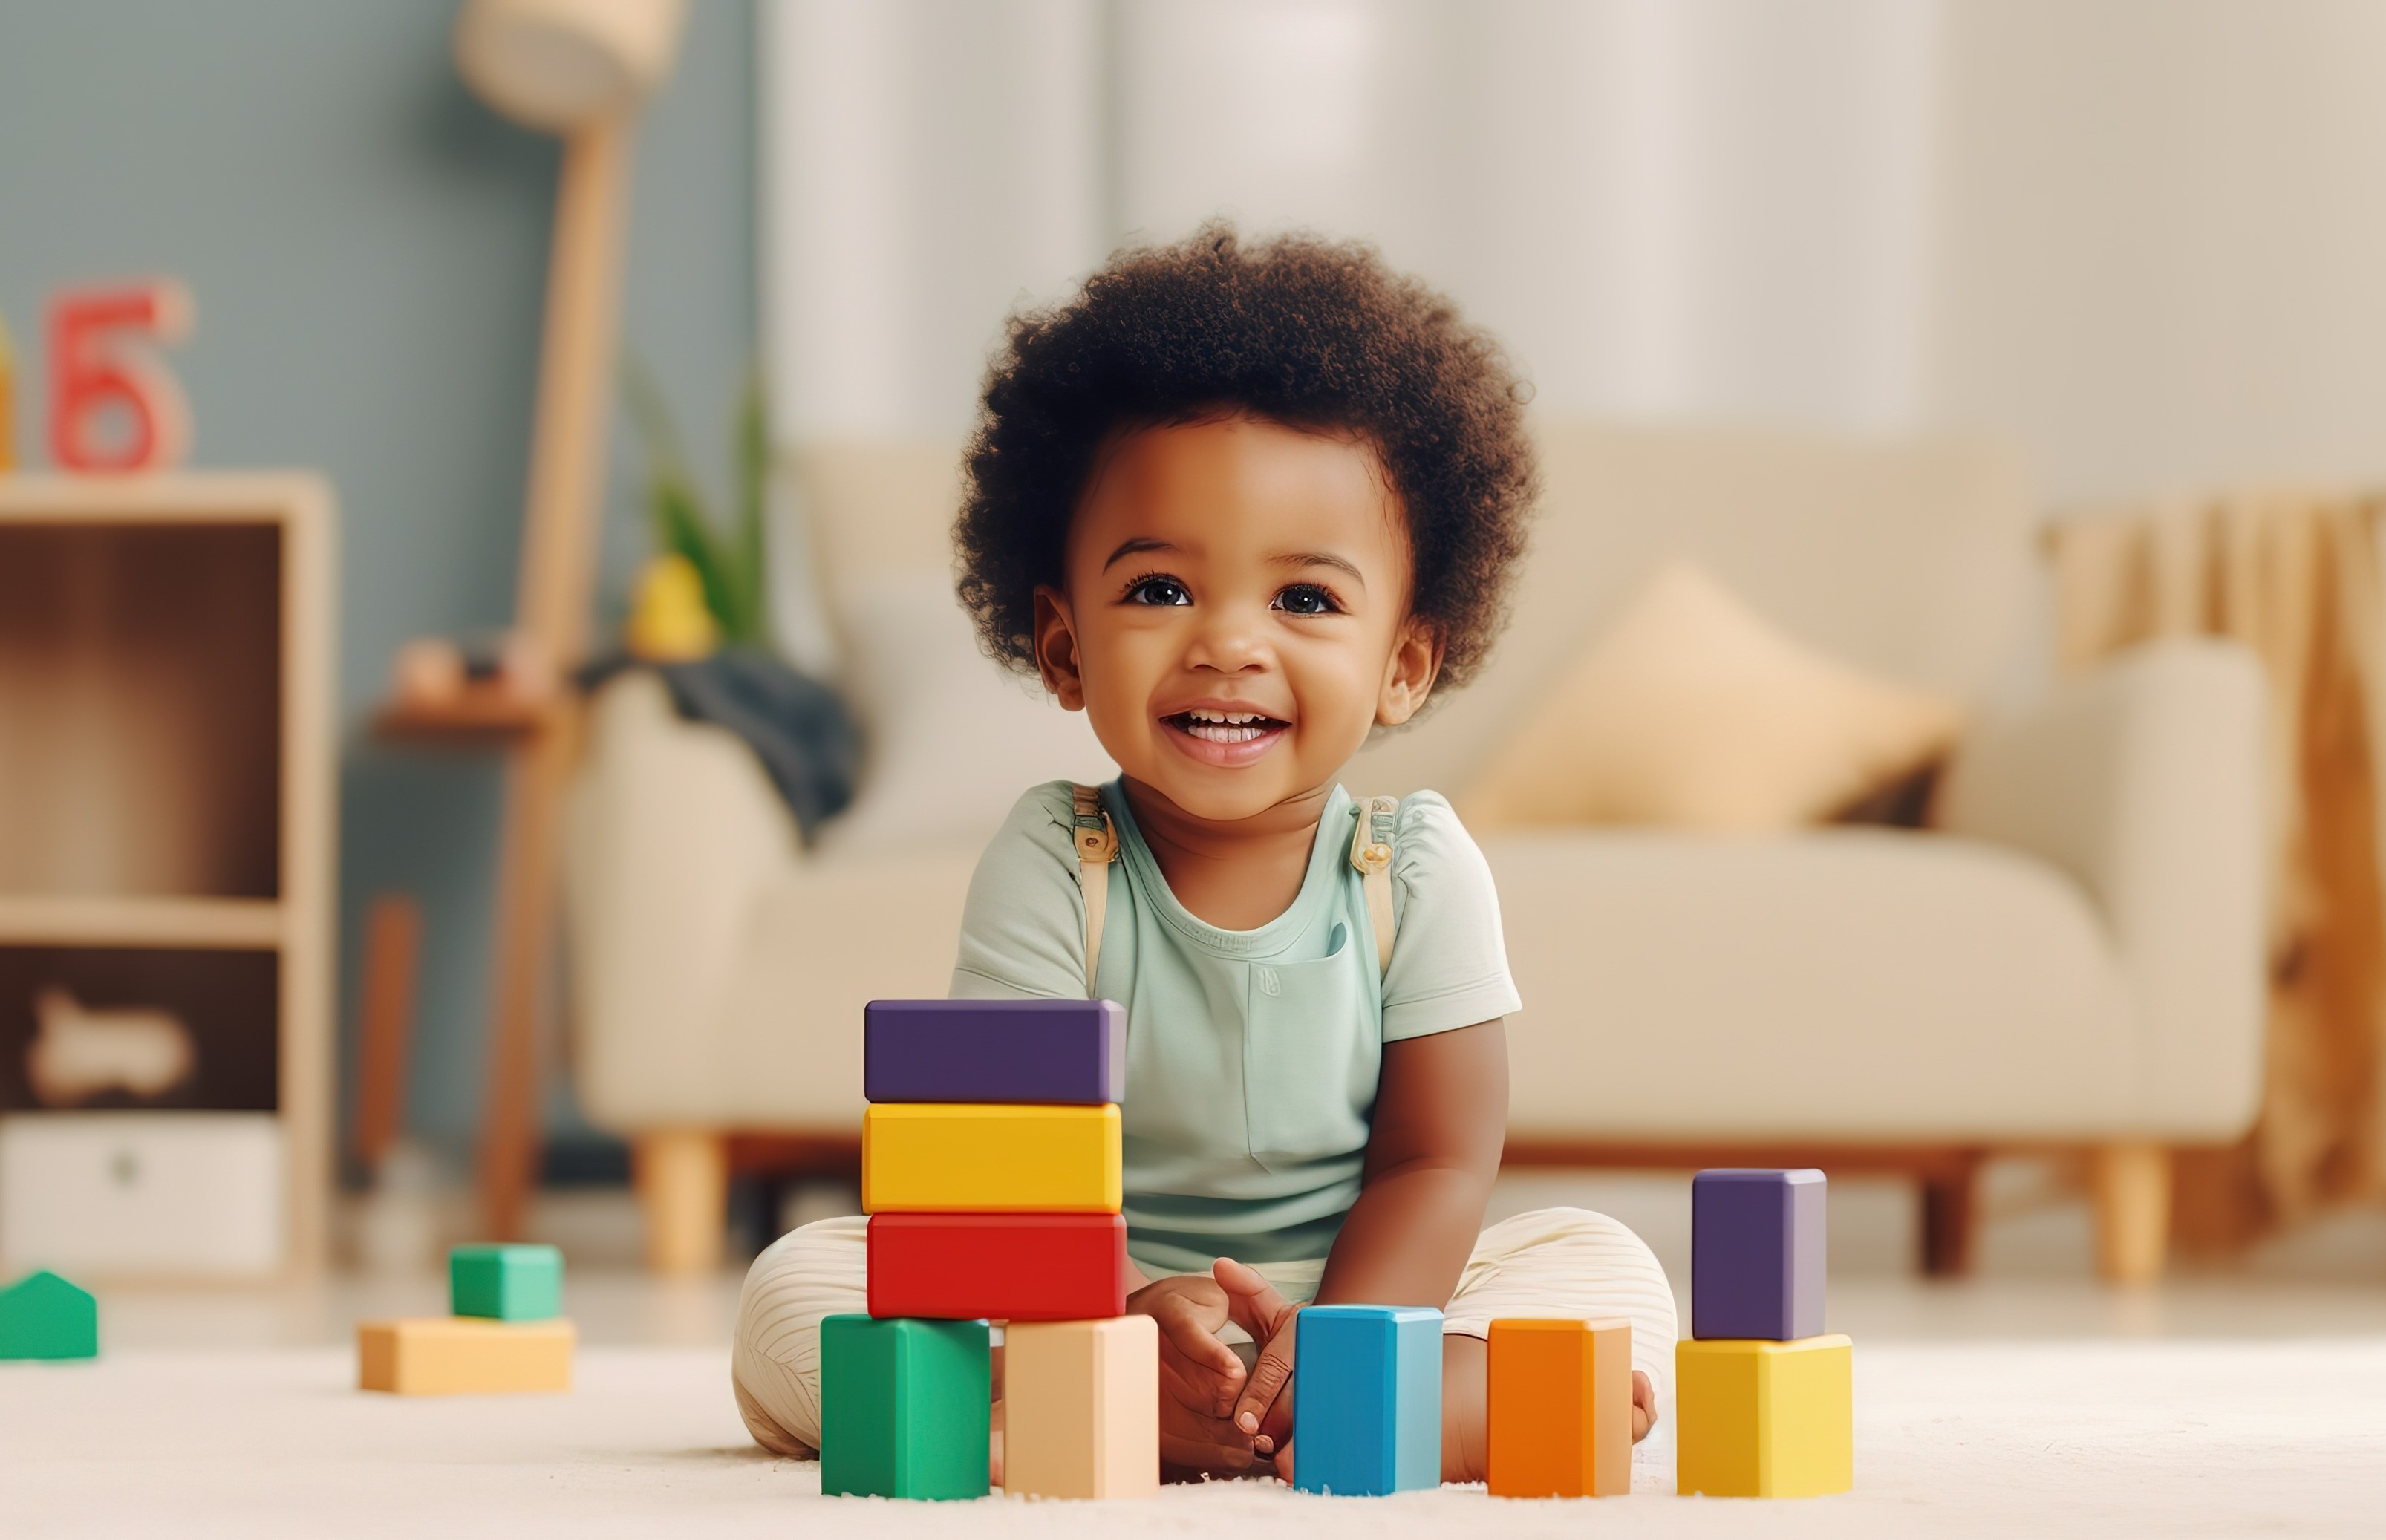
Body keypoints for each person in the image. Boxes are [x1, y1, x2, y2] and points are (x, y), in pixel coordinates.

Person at [733, 225, 1675, 1484]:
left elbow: (1438, 1158)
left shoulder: (1415, 868)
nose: (1229, 643)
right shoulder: (1055, 857)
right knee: (798, 1287)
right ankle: (1267, 1406)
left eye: (1305, 599)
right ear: (1064, 647)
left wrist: (1345, 1335)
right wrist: (1121, 1308)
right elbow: (1001, 1168)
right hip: (1093, 1296)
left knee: (1607, 1263)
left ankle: (1314, 1401)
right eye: (1161, 589)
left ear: (1402, 666)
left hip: (1362, 1293)